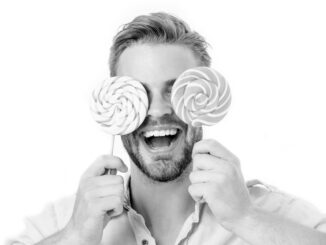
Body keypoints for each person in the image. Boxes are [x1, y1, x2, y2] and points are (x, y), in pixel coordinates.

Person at [8, 12, 326, 245]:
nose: (158, 110)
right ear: (117, 104)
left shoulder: (274, 214)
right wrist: (76, 235)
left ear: (203, 97)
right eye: (139, 93)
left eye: (175, 90)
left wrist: (246, 219)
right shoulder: (63, 222)